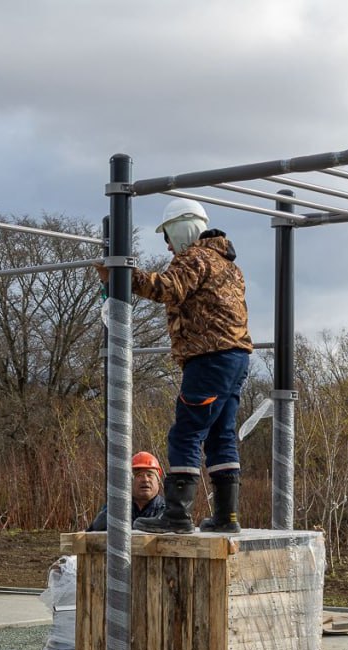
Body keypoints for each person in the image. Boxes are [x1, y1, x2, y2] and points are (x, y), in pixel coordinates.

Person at [95, 199, 252, 534]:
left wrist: (123, 275)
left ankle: (177, 516)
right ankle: (227, 517)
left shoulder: (194, 256)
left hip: (208, 357)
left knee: (186, 433)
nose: (168, 245)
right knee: (221, 435)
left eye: (168, 235)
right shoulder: (227, 264)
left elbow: (167, 288)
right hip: (235, 358)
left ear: (181, 227)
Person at [86, 450, 167, 531]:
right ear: (128, 481)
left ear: (158, 480)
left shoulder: (166, 512)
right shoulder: (116, 508)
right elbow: (91, 534)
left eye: (150, 475)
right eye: (139, 475)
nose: (145, 480)